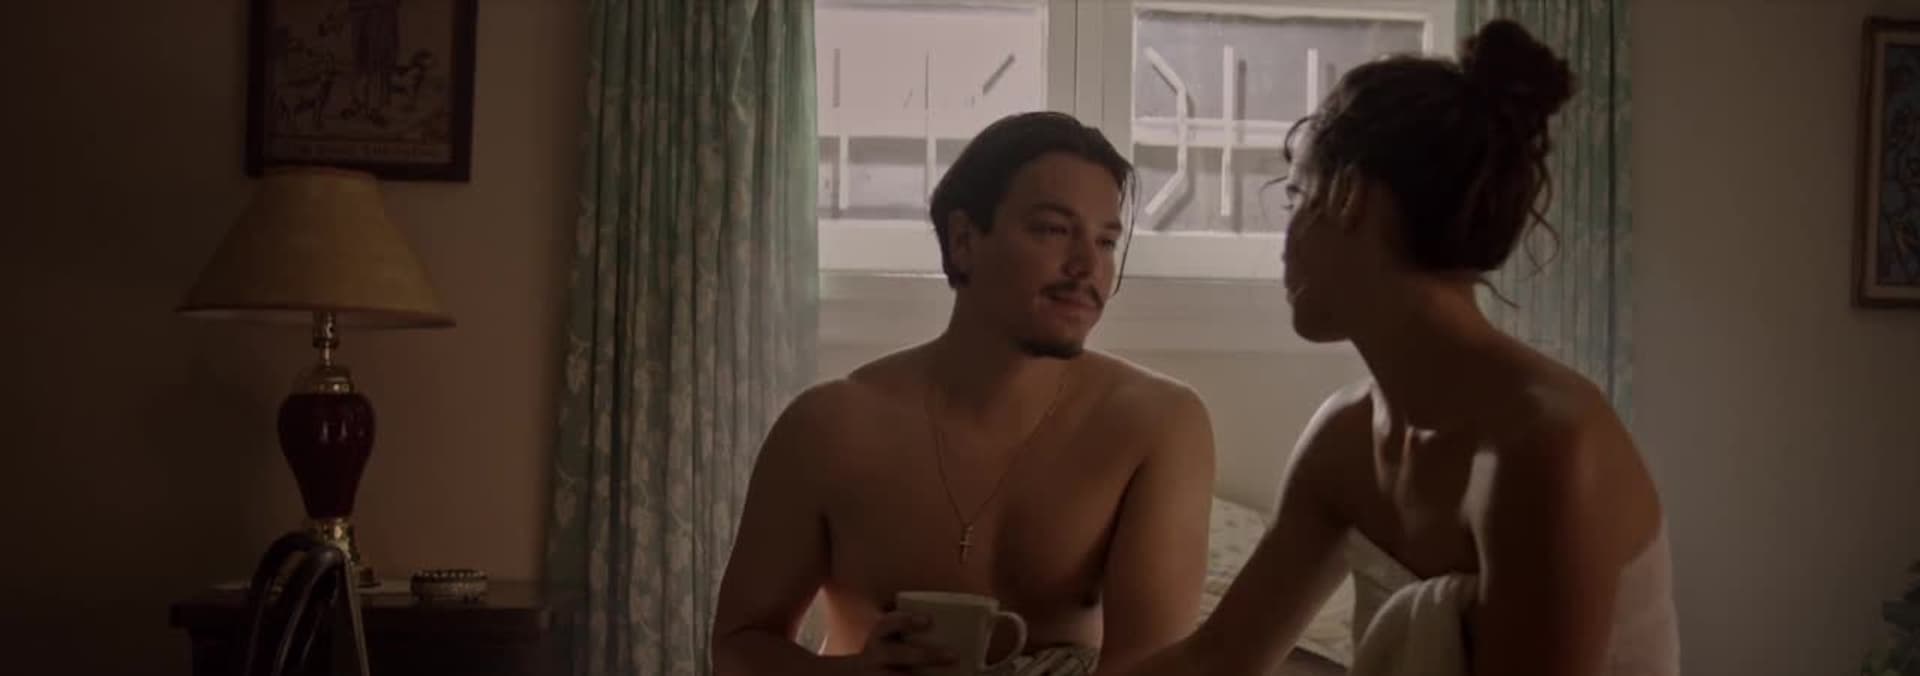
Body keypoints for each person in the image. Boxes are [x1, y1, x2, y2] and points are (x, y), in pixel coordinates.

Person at [1123, 19, 1678, 676]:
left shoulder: (1545, 447)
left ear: (1348, 196)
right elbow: (1219, 658)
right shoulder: (1346, 439)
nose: (1286, 239)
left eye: (1297, 196)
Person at [711, 112, 1218, 675]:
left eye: (1106, 241)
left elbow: (1149, 668)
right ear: (964, 240)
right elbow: (736, 646)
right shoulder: (829, 428)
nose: (1087, 266)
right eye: (1053, 230)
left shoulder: (1155, 425)